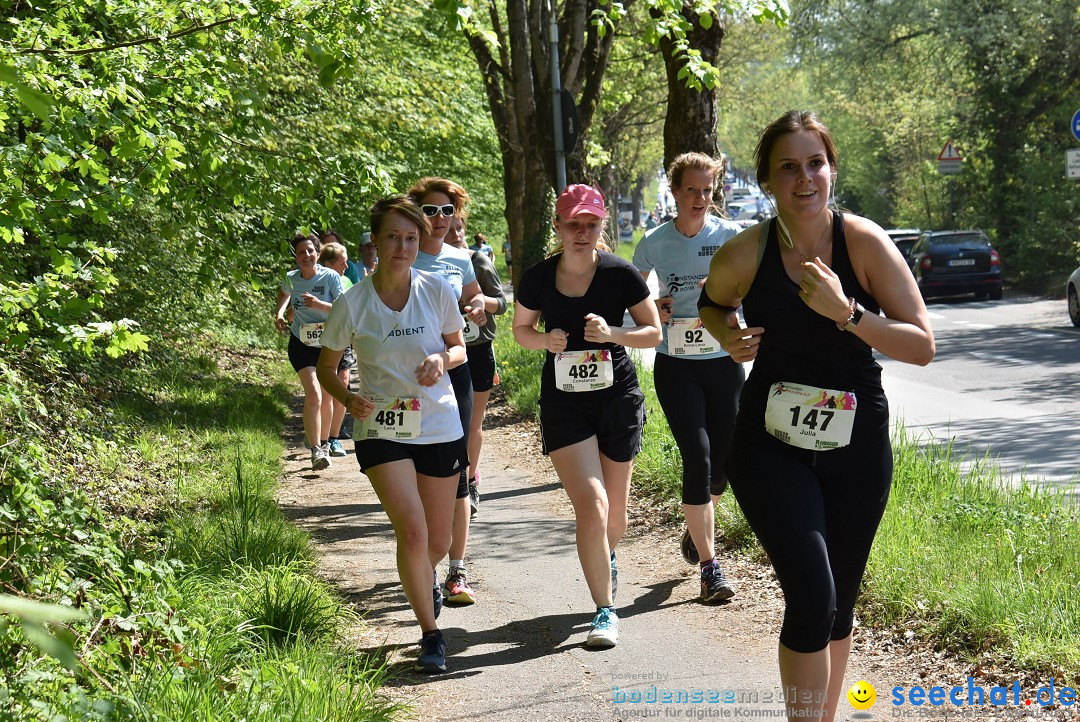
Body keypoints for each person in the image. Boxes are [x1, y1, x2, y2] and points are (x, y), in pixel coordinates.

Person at [698, 110, 935, 721]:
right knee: (811, 591)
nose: (804, 178)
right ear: (769, 181)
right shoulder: (746, 253)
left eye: (815, 164)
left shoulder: (863, 243)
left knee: (840, 601)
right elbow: (710, 304)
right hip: (769, 444)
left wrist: (848, 312)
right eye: (788, 167)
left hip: (856, 445)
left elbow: (921, 345)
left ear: (831, 171)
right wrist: (728, 336)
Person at [316, 195, 468, 674]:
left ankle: (426, 587)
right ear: (375, 242)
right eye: (392, 237)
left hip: (438, 422)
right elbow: (326, 369)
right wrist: (346, 401)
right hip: (381, 426)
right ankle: (430, 635)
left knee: (438, 542)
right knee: (414, 530)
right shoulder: (351, 303)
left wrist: (442, 360)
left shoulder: (437, 289)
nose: (402, 246)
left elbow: (460, 347)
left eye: (410, 238)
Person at [512, 184, 662, 648]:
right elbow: (521, 330)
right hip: (564, 403)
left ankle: (606, 557)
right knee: (592, 505)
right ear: (558, 227)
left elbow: (653, 333)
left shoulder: (620, 274)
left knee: (614, 517)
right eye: (573, 224)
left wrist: (614, 332)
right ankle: (604, 610)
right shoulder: (537, 278)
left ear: (602, 228)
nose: (582, 232)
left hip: (616, 397)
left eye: (591, 224)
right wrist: (545, 341)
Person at [632, 152, 743, 604]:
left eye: (707, 189)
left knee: (725, 463)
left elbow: (753, 287)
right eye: (691, 189)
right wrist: (646, 309)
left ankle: (696, 531)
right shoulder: (653, 242)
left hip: (723, 360)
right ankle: (710, 566)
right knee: (696, 457)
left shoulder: (732, 235)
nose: (700, 198)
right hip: (676, 364)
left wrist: (733, 304)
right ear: (674, 191)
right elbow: (631, 297)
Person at [408, 177, 487, 607]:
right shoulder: (404, 255)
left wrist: (478, 306)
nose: (440, 219)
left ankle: (456, 570)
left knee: (457, 471)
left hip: (455, 370)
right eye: (431, 210)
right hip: (409, 375)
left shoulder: (461, 259)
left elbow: (479, 299)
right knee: (422, 473)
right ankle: (426, 565)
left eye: (447, 210)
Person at [446, 216, 508, 519]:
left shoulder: (477, 260)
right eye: (450, 229)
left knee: (472, 422)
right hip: (442, 352)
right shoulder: (430, 264)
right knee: (447, 420)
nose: (456, 234)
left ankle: (469, 481)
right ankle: (447, 480)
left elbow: (502, 302)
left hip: (478, 349)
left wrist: (482, 304)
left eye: (460, 228)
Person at [274, 232, 345, 471]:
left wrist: (318, 305)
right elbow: (284, 294)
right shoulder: (292, 278)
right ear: (296, 256)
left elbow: (344, 308)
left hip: (327, 344)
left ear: (318, 253)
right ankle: (316, 449)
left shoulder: (330, 276)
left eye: (310, 251)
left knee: (327, 395)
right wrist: (280, 313)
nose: (306, 255)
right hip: (301, 342)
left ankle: (324, 444)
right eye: (301, 252)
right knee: (313, 393)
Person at [317, 241, 356, 458]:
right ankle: (321, 437)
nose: (347, 265)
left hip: (344, 341)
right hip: (318, 343)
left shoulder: (347, 281)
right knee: (324, 391)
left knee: (343, 385)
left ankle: (334, 439)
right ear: (329, 264)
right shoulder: (314, 280)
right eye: (342, 262)